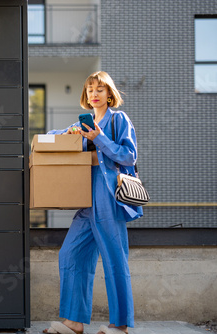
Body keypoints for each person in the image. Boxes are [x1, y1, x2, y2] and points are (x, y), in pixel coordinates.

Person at [42, 71, 143, 334]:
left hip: (109, 194)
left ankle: (119, 326)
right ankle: (74, 322)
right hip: (86, 196)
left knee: (114, 260)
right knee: (71, 253)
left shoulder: (118, 120)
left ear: (109, 94)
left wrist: (98, 137)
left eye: (100, 89)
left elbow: (129, 156)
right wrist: (53, 136)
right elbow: (58, 136)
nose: (94, 94)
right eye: (89, 89)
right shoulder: (82, 125)